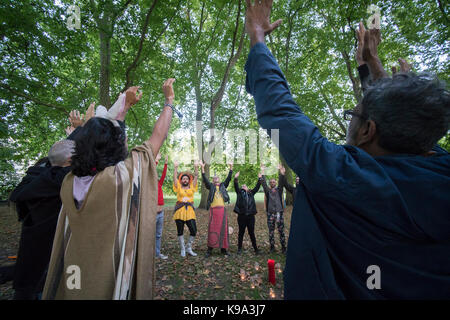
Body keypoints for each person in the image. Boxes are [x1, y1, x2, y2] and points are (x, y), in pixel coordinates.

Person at [244, 0, 450, 299]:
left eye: (354, 113)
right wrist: (372, 66)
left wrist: (257, 38)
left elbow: (280, 109)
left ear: (368, 131)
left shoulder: (344, 177)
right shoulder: (440, 169)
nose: (352, 117)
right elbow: (411, 125)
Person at [42, 79, 177, 300]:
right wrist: (169, 101)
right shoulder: (116, 179)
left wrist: (121, 109)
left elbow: (101, 146)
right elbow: (156, 139)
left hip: (74, 272)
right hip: (104, 277)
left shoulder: (67, 183)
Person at [9, 140, 74, 300]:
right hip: (45, 270)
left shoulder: (35, 179)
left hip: (30, 263)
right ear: (70, 161)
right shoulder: (58, 182)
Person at [199, 161, 233, 257]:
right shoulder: (211, 186)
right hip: (214, 211)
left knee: (223, 229)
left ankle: (223, 249)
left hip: (222, 210)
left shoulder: (223, 186)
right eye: (214, 178)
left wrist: (231, 167)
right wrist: (202, 168)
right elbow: (205, 180)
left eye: (217, 177)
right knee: (212, 229)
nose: (215, 179)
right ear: (213, 181)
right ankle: (210, 249)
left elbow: (228, 179)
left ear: (219, 179)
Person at [172, 160, 199, 258]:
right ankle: (182, 249)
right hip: (179, 211)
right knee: (180, 230)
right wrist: (175, 168)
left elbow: (196, 176)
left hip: (190, 212)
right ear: (181, 180)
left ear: (189, 180)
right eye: (183, 179)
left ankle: (188, 247)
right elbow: (174, 178)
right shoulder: (178, 187)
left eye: (186, 179)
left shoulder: (192, 187)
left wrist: (196, 167)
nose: (185, 180)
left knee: (193, 230)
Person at [259, 165, 287, 253]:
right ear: (269, 184)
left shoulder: (279, 190)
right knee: (271, 231)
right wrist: (262, 172)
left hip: (279, 213)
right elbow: (263, 184)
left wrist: (281, 173)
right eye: (271, 182)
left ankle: (283, 247)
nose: (272, 183)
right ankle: (272, 247)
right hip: (270, 213)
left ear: (276, 183)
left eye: (274, 182)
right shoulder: (268, 191)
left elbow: (282, 182)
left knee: (281, 231)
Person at [233, 171, 261, 255]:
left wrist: (260, 178)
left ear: (247, 187)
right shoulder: (239, 193)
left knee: (251, 232)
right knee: (241, 232)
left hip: (250, 216)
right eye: (242, 186)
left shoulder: (251, 193)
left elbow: (257, 186)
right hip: (241, 216)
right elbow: (236, 186)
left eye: (244, 185)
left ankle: (256, 249)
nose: (243, 186)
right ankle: (239, 249)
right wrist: (235, 178)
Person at [155, 153, 168, 260]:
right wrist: (156, 161)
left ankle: (157, 253)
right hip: (153, 213)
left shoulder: (159, 184)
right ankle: (148, 254)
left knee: (158, 235)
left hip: (161, 213)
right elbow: (150, 171)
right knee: (149, 234)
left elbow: (163, 175)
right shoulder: (149, 187)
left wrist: (166, 164)